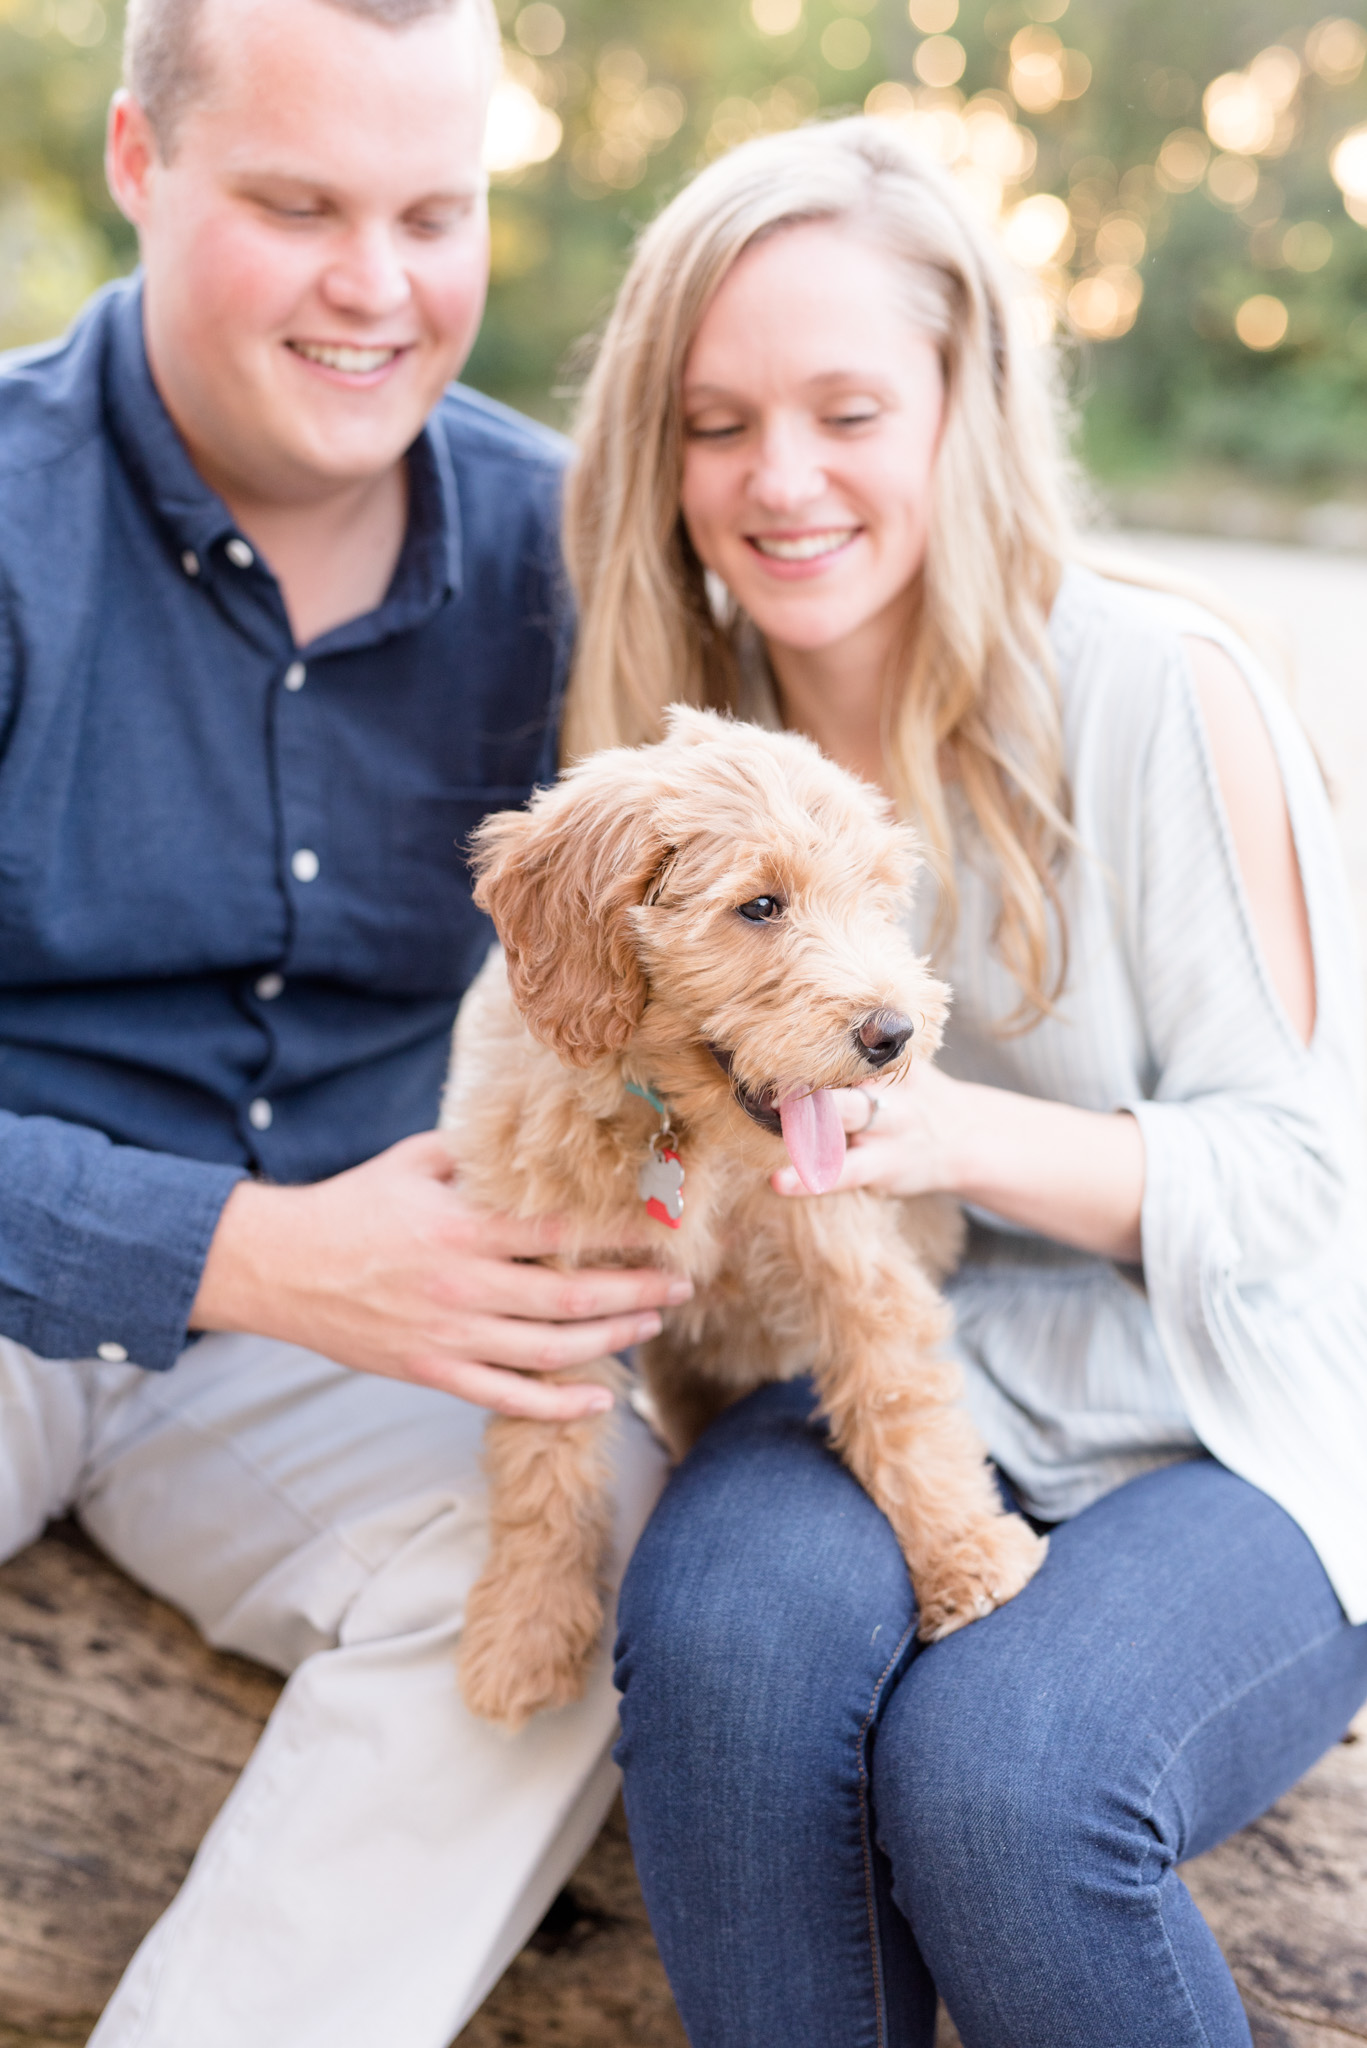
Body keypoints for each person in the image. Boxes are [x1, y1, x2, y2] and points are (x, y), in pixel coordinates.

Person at [560, 119, 1367, 2047]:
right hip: (877, 1362)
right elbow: (568, 1094)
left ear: (960, 406)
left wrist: (946, 1127)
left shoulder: (1162, 689)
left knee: (1005, 1777)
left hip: (1222, 1405)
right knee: (728, 1645)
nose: (782, 479)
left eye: (848, 408)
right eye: (717, 421)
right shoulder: (677, 766)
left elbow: (1303, 1189)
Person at [0, 0, 687, 2041]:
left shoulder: (562, 554)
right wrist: (245, 1249)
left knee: (572, 1563)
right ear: (140, 161)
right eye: (297, 205)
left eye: (433, 211)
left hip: (336, 1335)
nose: (375, 290)